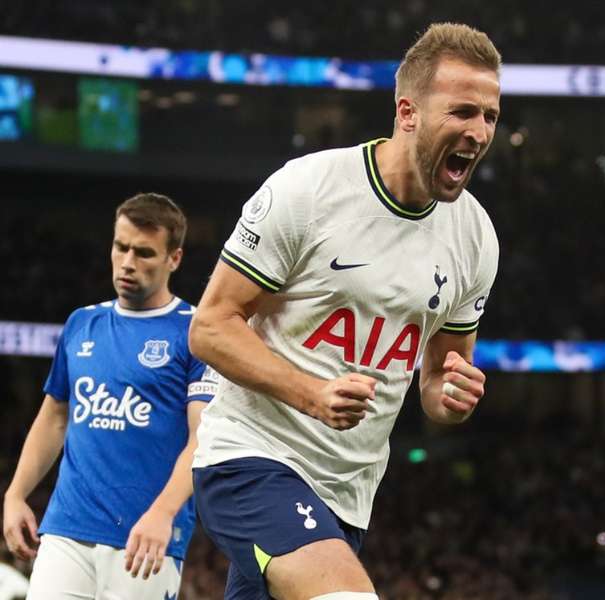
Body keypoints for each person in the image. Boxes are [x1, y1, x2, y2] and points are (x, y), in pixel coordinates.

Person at [188, 22, 501, 600]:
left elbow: (438, 380)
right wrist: (312, 393)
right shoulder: (309, 190)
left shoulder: (476, 237)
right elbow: (209, 329)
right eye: (462, 112)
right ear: (408, 112)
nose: (479, 132)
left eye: (489, 116)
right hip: (252, 458)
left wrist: (448, 397)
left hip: (347, 496)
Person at [2, 193, 218, 599]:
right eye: (121, 247)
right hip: (66, 530)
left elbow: (202, 438)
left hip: (146, 538)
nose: (128, 262)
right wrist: (15, 494)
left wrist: (163, 513)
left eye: (144, 252)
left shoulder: (195, 334)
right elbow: (54, 417)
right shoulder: (82, 323)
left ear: (174, 258)